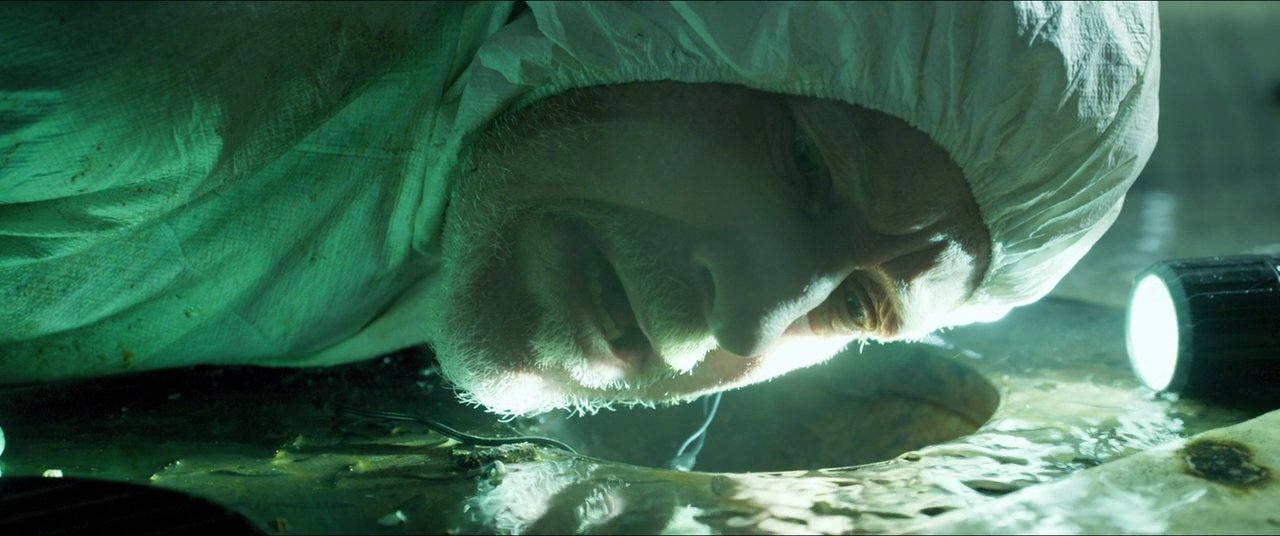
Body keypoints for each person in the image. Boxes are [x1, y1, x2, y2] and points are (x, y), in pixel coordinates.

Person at [0, 2, 1159, 416]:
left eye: (856, 304)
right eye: (805, 166)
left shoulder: (523, 187)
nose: (750, 322)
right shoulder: (146, 73)